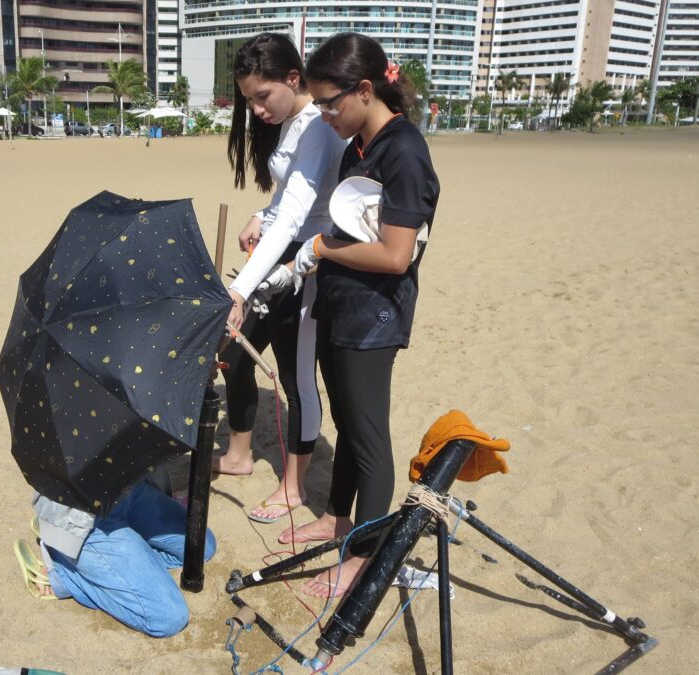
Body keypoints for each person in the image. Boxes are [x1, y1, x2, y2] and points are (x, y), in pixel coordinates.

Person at [284, 32, 440, 598]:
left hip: (374, 316)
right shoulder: (360, 147)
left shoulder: (404, 151)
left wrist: (322, 250)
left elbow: (397, 255)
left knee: (369, 438)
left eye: (330, 103)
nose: (324, 114)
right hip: (342, 307)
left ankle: (364, 563)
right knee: (347, 426)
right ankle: (340, 522)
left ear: (366, 89)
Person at [217, 33, 347, 525]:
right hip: (278, 251)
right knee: (235, 354)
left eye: (261, 96)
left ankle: (293, 487)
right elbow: (287, 199)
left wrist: (238, 289)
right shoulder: (293, 121)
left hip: (307, 263)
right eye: (248, 99)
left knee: (296, 378)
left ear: (294, 79)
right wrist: (258, 213)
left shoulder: (315, 126)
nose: (254, 109)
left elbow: (297, 216)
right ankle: (238, 454)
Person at [19, 480, 215, 638]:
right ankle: (65, 571)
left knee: (202, 547)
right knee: (167, 617)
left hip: (127, 487)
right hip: (81, 515)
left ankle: (118, 560)